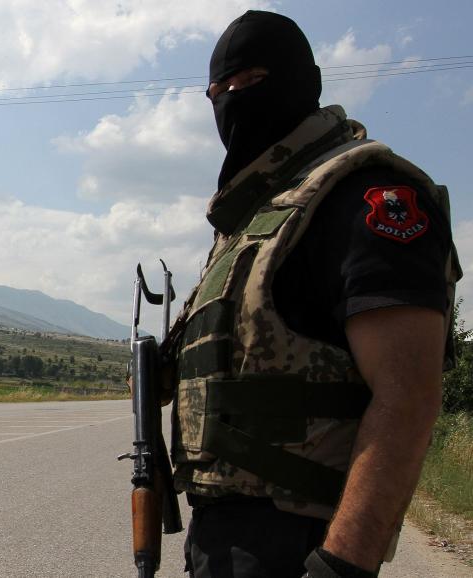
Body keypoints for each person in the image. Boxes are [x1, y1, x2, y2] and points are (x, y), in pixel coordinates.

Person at [161, 10, 462, 578]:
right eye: (218, 90)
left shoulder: (366, 197)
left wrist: (341, 566)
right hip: (220, 535)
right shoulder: (251, 222)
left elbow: (408, 397)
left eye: (250, 82)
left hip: (301, 540)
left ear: (302, 81)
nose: (232, 100)